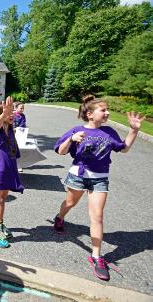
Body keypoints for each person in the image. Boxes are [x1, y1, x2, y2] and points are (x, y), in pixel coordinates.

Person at [53, 95, 144, 281]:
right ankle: (60, 217)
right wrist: (71, 138)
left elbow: (124, 148)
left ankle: (96, 257)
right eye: (103, 110)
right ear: (89, 114)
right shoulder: (77, 130)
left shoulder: (109, 132)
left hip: (100, 179)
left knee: (97, 216)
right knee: (70, 203)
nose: (107, 112)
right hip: (78, 176)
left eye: (107, 110)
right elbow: (61, 151)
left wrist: (133, 131)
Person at [0, 96, 24, 248]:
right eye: (9, 111)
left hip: (9, 170)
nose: (12, 113)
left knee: (2, 200)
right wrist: (4, 114)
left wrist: (8, 115)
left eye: (13, 110)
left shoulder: (10, 131)